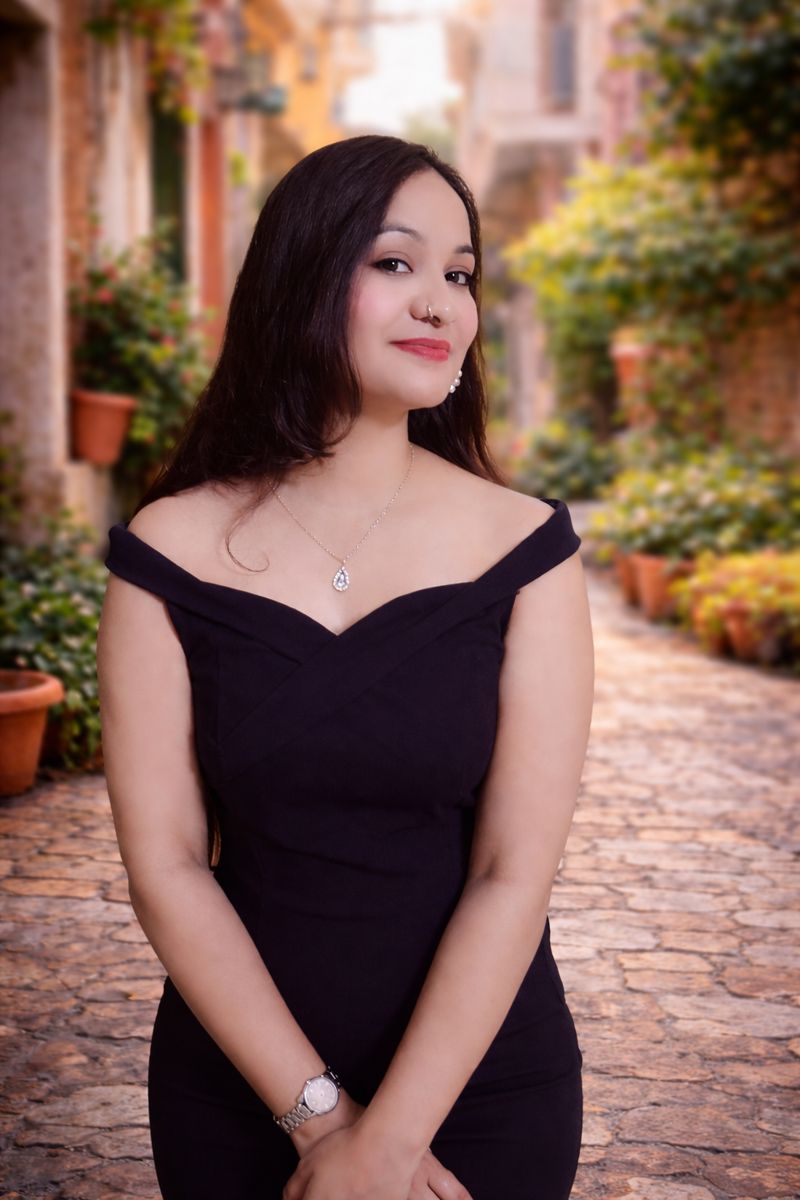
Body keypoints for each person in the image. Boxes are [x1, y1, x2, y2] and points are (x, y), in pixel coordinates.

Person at [96, 133, 594, 1200]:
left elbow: (515, 870)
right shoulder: (167, 551)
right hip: (237, 1087)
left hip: (483, 1097)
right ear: (300, 277)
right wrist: (319, 1122)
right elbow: (168, 866)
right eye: (394, 263)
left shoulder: (526, 547)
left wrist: (387, 1143)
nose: (439, 304)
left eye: (458, 275)